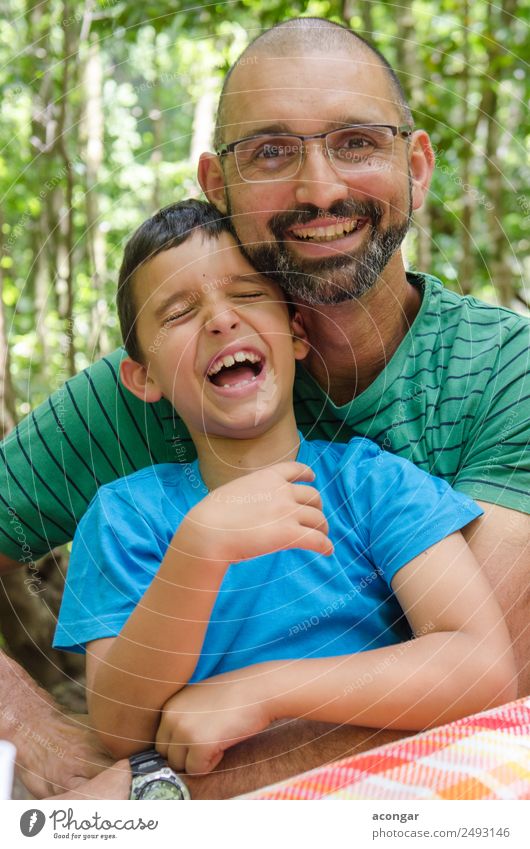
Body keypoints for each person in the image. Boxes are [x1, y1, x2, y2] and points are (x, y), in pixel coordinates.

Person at [0, 17, 528, 799]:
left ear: (416, 166)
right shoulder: (145, 392)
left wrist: (138, 799)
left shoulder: (499, 378)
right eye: (272, 152)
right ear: (218, 185)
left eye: (356, 141)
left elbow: (480, 684)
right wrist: (29, 728)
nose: (319, 189)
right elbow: (119, 716)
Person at [52, 199, 514, 787]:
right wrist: (199, 551)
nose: (221, 321)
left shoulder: (375, 484)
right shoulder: (124, 518)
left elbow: (482, 669)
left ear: (296, 331)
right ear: (144, 378)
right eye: (178, 312)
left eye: (246, 295)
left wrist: (262, 689)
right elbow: (120, 726)